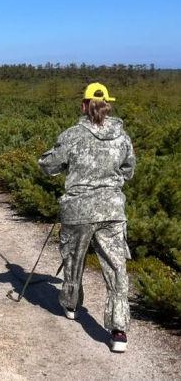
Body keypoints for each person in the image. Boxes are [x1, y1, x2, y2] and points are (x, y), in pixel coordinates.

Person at [38, 82, 136, 353]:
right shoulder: (122, 137)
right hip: (112, 211)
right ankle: (118, 332)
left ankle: (71, 305)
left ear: (83, 105)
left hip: (78, 210)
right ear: (108, 105)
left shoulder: (71, 135)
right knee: (116, 269)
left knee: (73, 259)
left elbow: (50, 165)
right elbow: (129, 170)